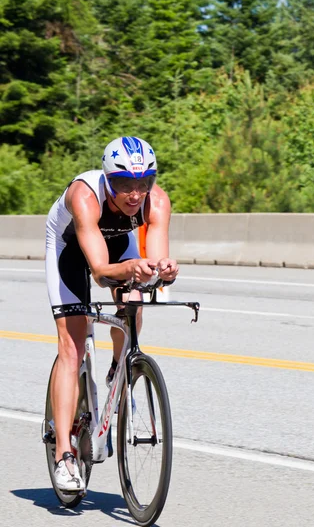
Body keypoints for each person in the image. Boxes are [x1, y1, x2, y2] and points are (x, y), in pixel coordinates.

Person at [45, 136, 179, 492]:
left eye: (144, 183)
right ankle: (64, 456)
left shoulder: (158, 201)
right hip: (71, 250)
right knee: (71, 348)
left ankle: (120, 366)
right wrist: (134, 267)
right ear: (107, 179)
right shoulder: (84, 196)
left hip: (119, 245)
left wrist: (163, 268)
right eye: (123, 184)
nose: (135, 194)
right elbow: (101, 273)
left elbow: (154, 263)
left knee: (135, 301)